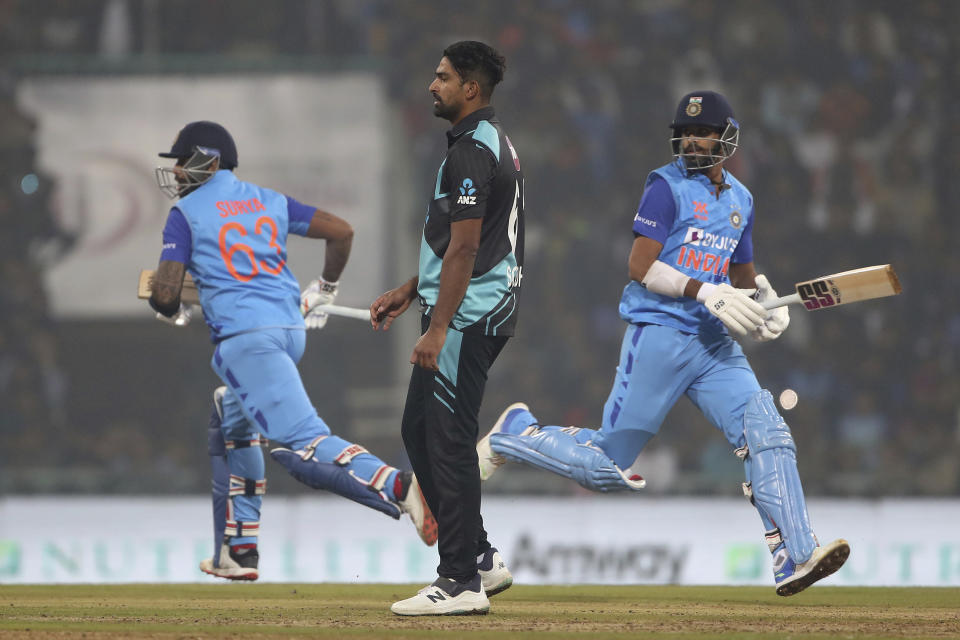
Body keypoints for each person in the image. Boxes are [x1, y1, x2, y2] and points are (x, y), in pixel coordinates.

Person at [478, 91, 850, 597]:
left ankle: (794, 554)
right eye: (686, 132)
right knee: (608, 466)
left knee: (767, 429)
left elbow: (741, 279)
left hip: (714, 344)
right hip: (660, 333)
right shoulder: (666, 186)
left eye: (704, 132)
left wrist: (765, 303)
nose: (693, 140)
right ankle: (515, 433)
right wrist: (703, 290)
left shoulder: (741, 200)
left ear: (726, 137)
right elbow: (639, 267)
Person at [149, 120, 438, 581]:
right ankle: (239, 550)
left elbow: (164, 295)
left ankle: (399, 484)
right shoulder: (268, 200)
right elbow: (341, 231)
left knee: (305, 440)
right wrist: (325, 288)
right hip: (289, 329)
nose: (178, 172)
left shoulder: (185, 214)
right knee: (231, 415)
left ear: (209, 160)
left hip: (247, 341)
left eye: (183, 161)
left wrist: (173, 299)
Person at [370, 41, 522, 615]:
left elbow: (464, 249)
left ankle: (460, 582)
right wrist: (412, 287)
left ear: (470, 89)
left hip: (468, 313)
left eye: (442, 77)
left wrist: (436, 327)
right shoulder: (487, 144)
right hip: (470, 307)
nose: (432, 86)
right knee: (419, 429)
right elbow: (464, 241)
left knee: (449, 440)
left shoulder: (470, 153)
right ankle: (479, 557)